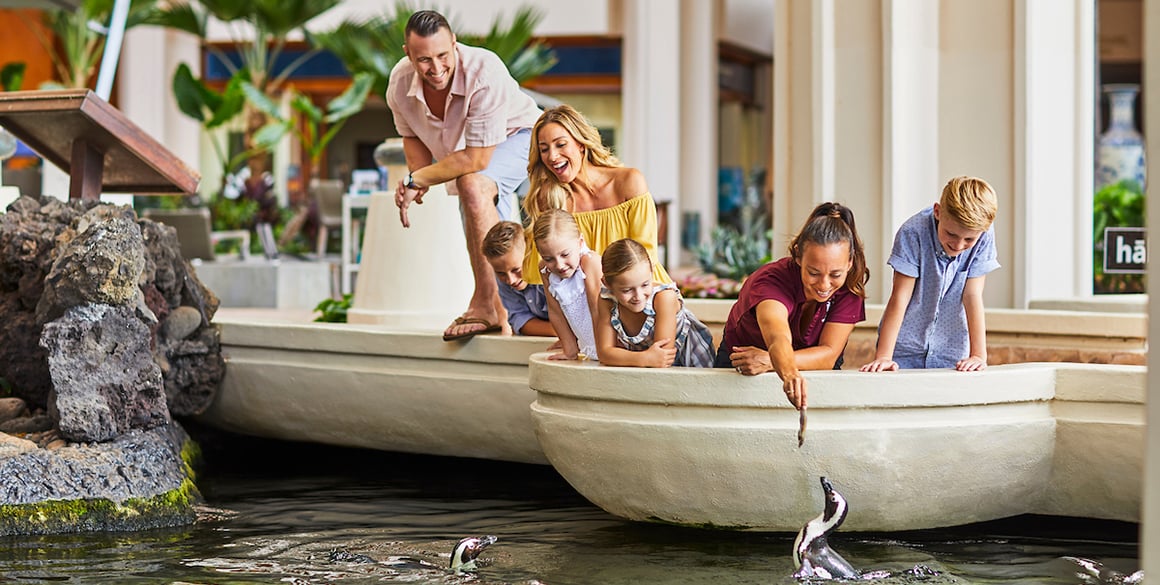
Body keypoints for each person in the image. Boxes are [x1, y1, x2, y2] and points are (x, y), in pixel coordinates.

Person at [387, 10, 542, 342]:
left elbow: (477, 158)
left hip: (522, 136)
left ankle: (488, 303)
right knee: (472, 191)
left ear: (455, 44)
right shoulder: (399, 83)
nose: (436, 67)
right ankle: (503, 307)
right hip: (468, 154)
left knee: (472, 182)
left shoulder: (484, 70)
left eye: (443, 55)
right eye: (424, 59)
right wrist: (417, 174)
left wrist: (420, 179)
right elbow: (412, 135)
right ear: (408, 54)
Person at [714, 202, 869, 410]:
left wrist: (770, 361)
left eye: (835, 274)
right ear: (798, 257)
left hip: (802, 371)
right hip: (742, 368)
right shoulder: (771, 280)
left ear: (849, 263)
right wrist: (787, 372)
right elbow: (777, 336)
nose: (824, 285)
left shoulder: (849, 288)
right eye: (813, 273)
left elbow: (829, 355)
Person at [859, 176, 1000, 372]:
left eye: (969, 239)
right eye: (951, 234)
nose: (958, 245)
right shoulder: (912, 232)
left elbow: (972, 295)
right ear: (937, 212)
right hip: (904, 349)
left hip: (952, 351)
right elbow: (900, 296)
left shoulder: (983, 233)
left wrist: (978, 355)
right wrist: (884, 356)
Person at [521, 105, 671, 287]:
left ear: (581, 144)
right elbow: (541, 271)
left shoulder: (628, 182)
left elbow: (645, 257)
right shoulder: (549, 198)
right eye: (544, 149)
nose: (552, 156)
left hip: (640, 294)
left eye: (561, 144)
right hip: (586, 307)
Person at [595, 238, 715, 368]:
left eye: (645, 284)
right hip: (648, 367)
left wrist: (634, 358)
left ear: (652, 271)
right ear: (607, 284)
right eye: (627, 290)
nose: (638, 296)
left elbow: (662, 357)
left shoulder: (664, 298)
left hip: (692, 363)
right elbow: (604, 353)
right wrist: (643, 358)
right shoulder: (607, 300)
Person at [534, 208, 601, 361]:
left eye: (565, 255)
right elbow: (555, 311)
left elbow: (598, 309)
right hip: (589, 342)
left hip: (609, 339)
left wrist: (605, 349)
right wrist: (569, 348)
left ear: (580, 242)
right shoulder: (545, 270)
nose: (559, 265)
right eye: (548, 258)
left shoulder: (589, 262)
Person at [481, 220, 555, 337]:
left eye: (516, 270)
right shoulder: (504, 282)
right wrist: (560, 331)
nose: (511, 280)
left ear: (529, 255)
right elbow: (519, 320)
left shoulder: (551, 272)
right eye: (501, 273)